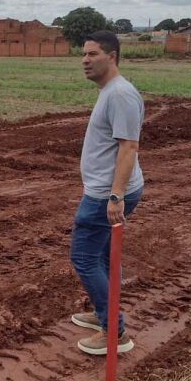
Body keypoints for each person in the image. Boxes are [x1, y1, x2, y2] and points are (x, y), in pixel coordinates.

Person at [69, 30, 145, 356]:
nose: (85, 60)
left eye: (92, 54)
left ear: (111, 56)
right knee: (101, 256)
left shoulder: (120, 95)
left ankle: (114, 332)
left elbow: (128, 147)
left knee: (84, 258)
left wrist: (116, 196)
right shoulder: (110, 91)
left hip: (105, 196)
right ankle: (105, 313)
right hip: (104, 191)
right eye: (83, 54)